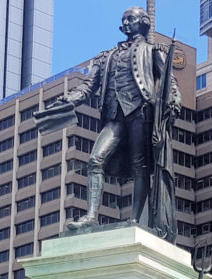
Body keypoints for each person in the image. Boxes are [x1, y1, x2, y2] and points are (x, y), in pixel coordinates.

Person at [39, 6, 180, 237]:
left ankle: (136, 219)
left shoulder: (153, 50)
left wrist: (173, 104)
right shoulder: (106, 57)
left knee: (140, 166)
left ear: (143, 22)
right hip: (114, 115)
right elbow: (88, 86)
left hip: (140, 112)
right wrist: (68, 100)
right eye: (123, 20)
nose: (126, 23)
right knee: (95, 160)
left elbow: (169, 83)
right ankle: (91, 216)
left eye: (131, 19)